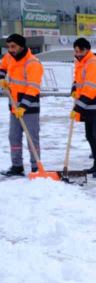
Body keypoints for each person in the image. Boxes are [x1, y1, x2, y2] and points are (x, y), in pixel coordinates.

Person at [0, 34, 43, 177]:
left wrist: (23, 107)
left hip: (29, 107)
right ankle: (17, 166)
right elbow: (2, 65)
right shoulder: (10, 57)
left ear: (22, 46)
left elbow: (33, 88)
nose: (10, 50)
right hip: (14, 106)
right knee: (14, 137)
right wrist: (1, 78)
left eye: (13, 47)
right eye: (8, 47)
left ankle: (36, 167)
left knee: (32, 138)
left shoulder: (33, 63)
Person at [72, 37, 96, 178]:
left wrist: (78, 107)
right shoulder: (81, 63)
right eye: (75, 51)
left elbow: (91, 88)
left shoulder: (94, 63)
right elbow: (78, 80)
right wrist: (74, 89)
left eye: (79, 51)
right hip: (88, 106)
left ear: (86, 50)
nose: (77, 54)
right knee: (89, 136)